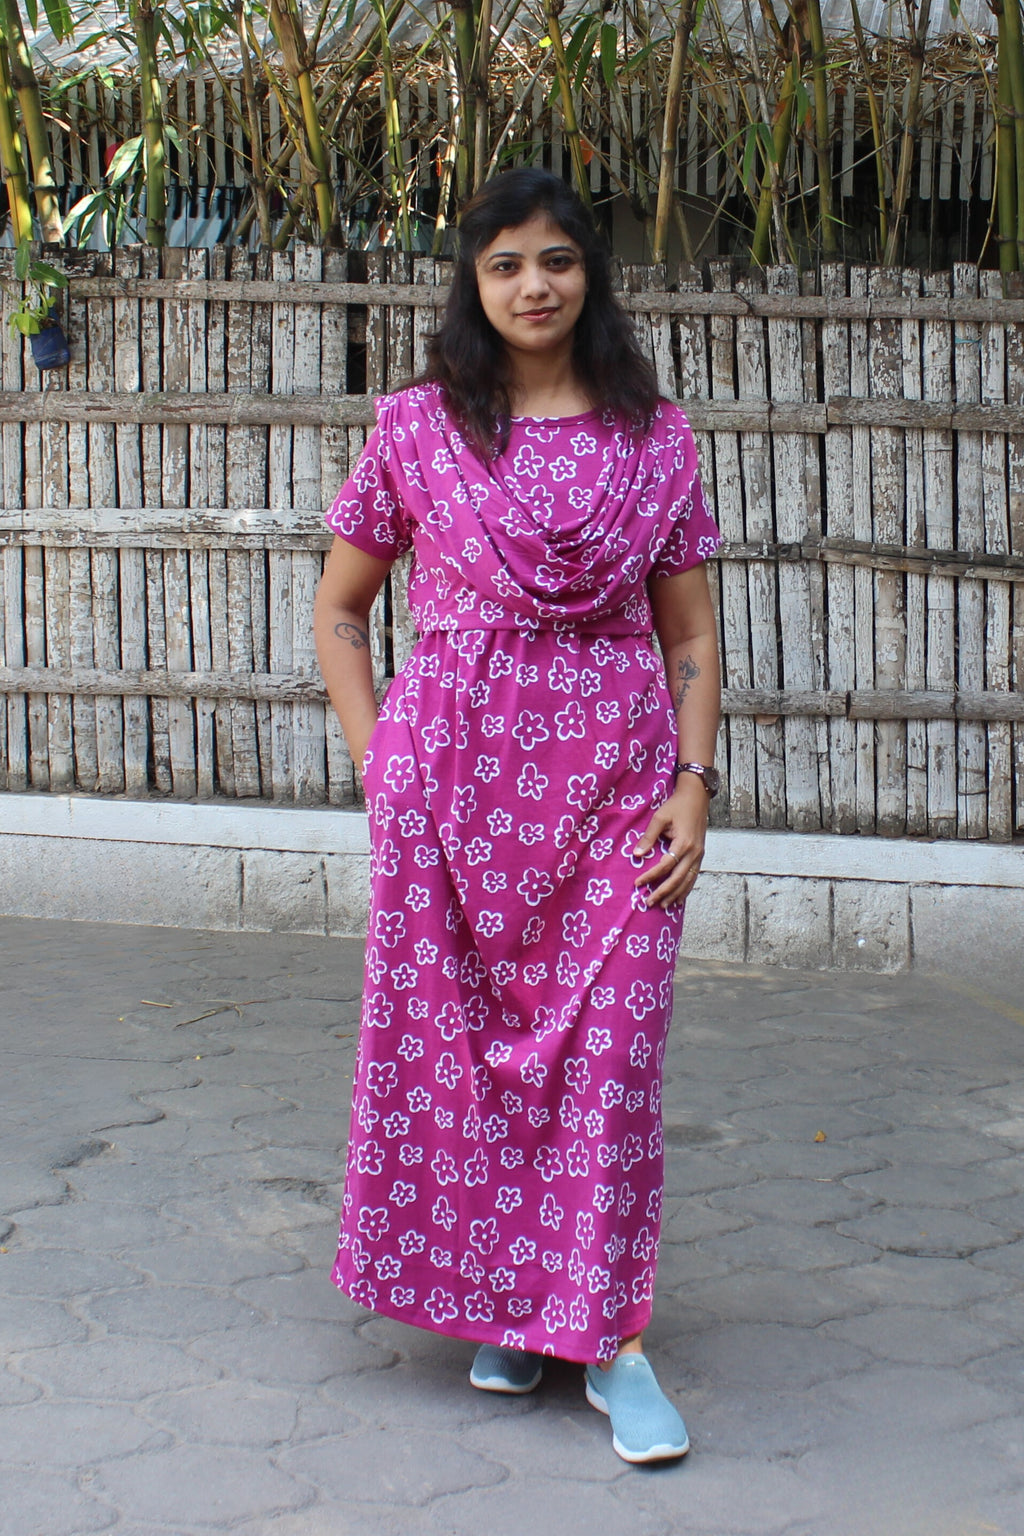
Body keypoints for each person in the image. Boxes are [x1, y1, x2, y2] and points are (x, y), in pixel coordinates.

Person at [313, 167, 721, 1464]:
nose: (533, 284)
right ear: (472, 285)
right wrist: (383, 768)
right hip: (451, 797)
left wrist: (695, 786)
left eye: (555, 259)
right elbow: (341, 609)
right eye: (504, 264)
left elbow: (694, 634)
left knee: (609, 1069)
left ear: (588, 274)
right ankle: (513, 1305)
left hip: (616, 803)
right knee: (463, 1072)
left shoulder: (656, 438)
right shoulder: (419, 426)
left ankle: (610, 1342)